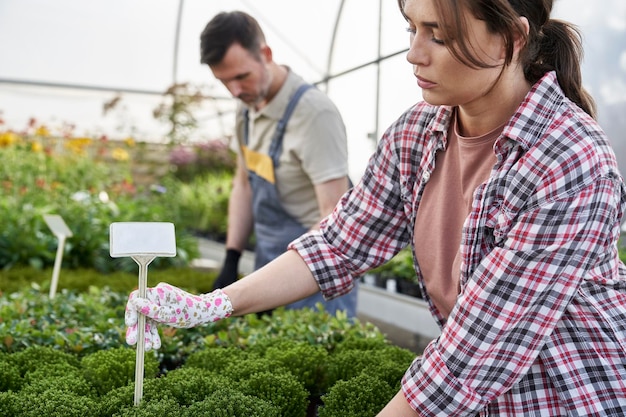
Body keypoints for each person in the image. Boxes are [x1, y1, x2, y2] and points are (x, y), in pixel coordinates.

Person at [125, 0, 626, 415]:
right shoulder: (419, 131)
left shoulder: (570, 158)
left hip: (564, 390)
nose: (414, 53)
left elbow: (477, 351)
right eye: (411, 28)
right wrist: (211, 305)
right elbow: (338, 244)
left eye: (439, 35)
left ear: (511, 39)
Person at [199, 10, 357, 316]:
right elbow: (244, 183)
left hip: (316, 275)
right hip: (270, 263)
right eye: (224, 81)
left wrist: (281, 279)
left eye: (241, 76)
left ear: (266, 54)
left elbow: (334, 218)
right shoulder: (246, 108)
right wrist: (231, 258)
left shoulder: (313, 114)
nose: (234, 90)